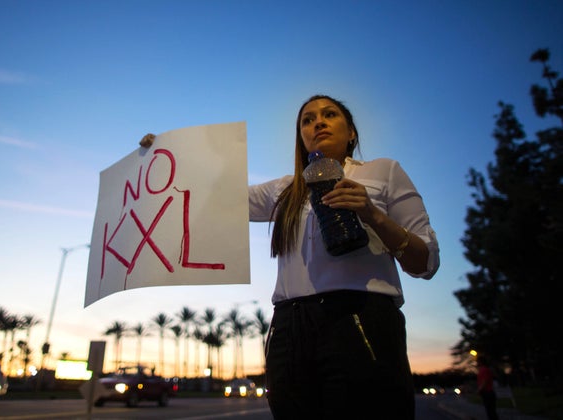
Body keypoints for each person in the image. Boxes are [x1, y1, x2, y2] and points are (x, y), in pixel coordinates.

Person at [140, 94, 440, 419]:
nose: (318, 122)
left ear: (352, 132)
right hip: (289, 330)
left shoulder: (384, 172)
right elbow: (217, 193)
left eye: (329, 115)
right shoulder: (285, 189)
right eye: (307, 120)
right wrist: (168, 154)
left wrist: (372, 214)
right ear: (301, 136)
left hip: (361, 320)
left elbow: (426, 262)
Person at [477, 355, 499, 420]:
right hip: (487, 393)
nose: (477, 363)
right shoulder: (483, 370)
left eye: (477, 361)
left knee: (491, 411)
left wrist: (479, 389)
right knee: (490, 411)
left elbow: (484, 381)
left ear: (480, 362)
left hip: (488, 392)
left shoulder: (484, 370)